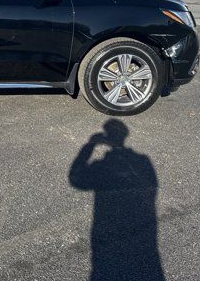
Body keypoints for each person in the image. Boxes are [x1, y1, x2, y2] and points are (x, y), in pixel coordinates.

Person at [69, 119, 164, 281]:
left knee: (106, 265)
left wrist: (89, 146)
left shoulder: (103, 165)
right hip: (143, 235)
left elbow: (77, 180)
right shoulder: (142, 161)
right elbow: (152, 186)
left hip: (107, 234)